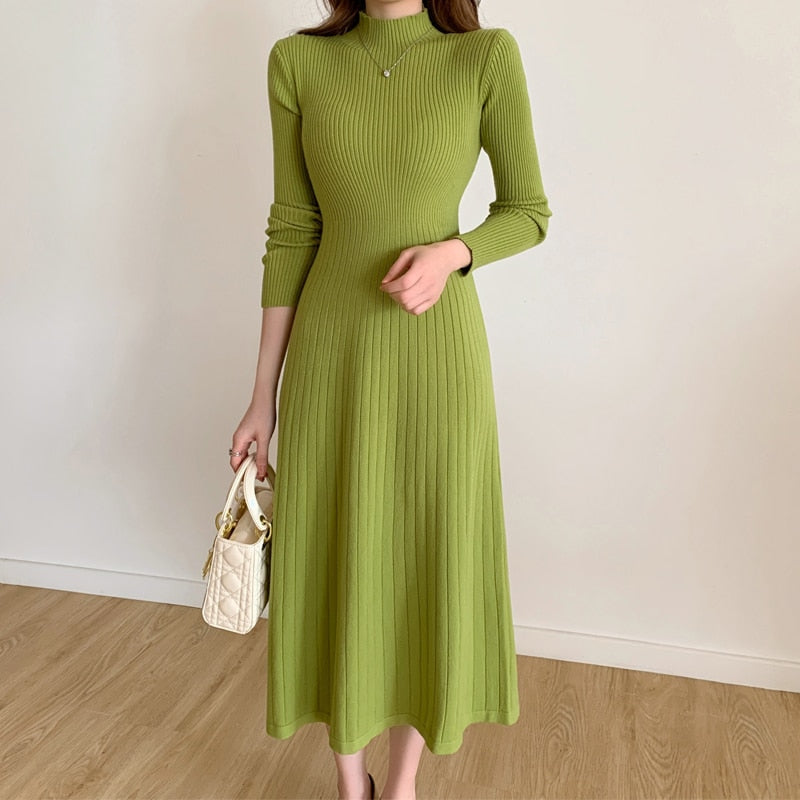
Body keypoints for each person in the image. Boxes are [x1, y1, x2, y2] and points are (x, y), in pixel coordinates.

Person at [230, 0, 552, 797]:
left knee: (426, 559)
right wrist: (261, 396)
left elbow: (528, 211)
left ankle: (401, 785)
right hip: (331, 357)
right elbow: (292, 228)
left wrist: (455, 253)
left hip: (439, 359)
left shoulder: (485, 58)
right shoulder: (298, 63)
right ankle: (353, 784)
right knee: (332, 550)